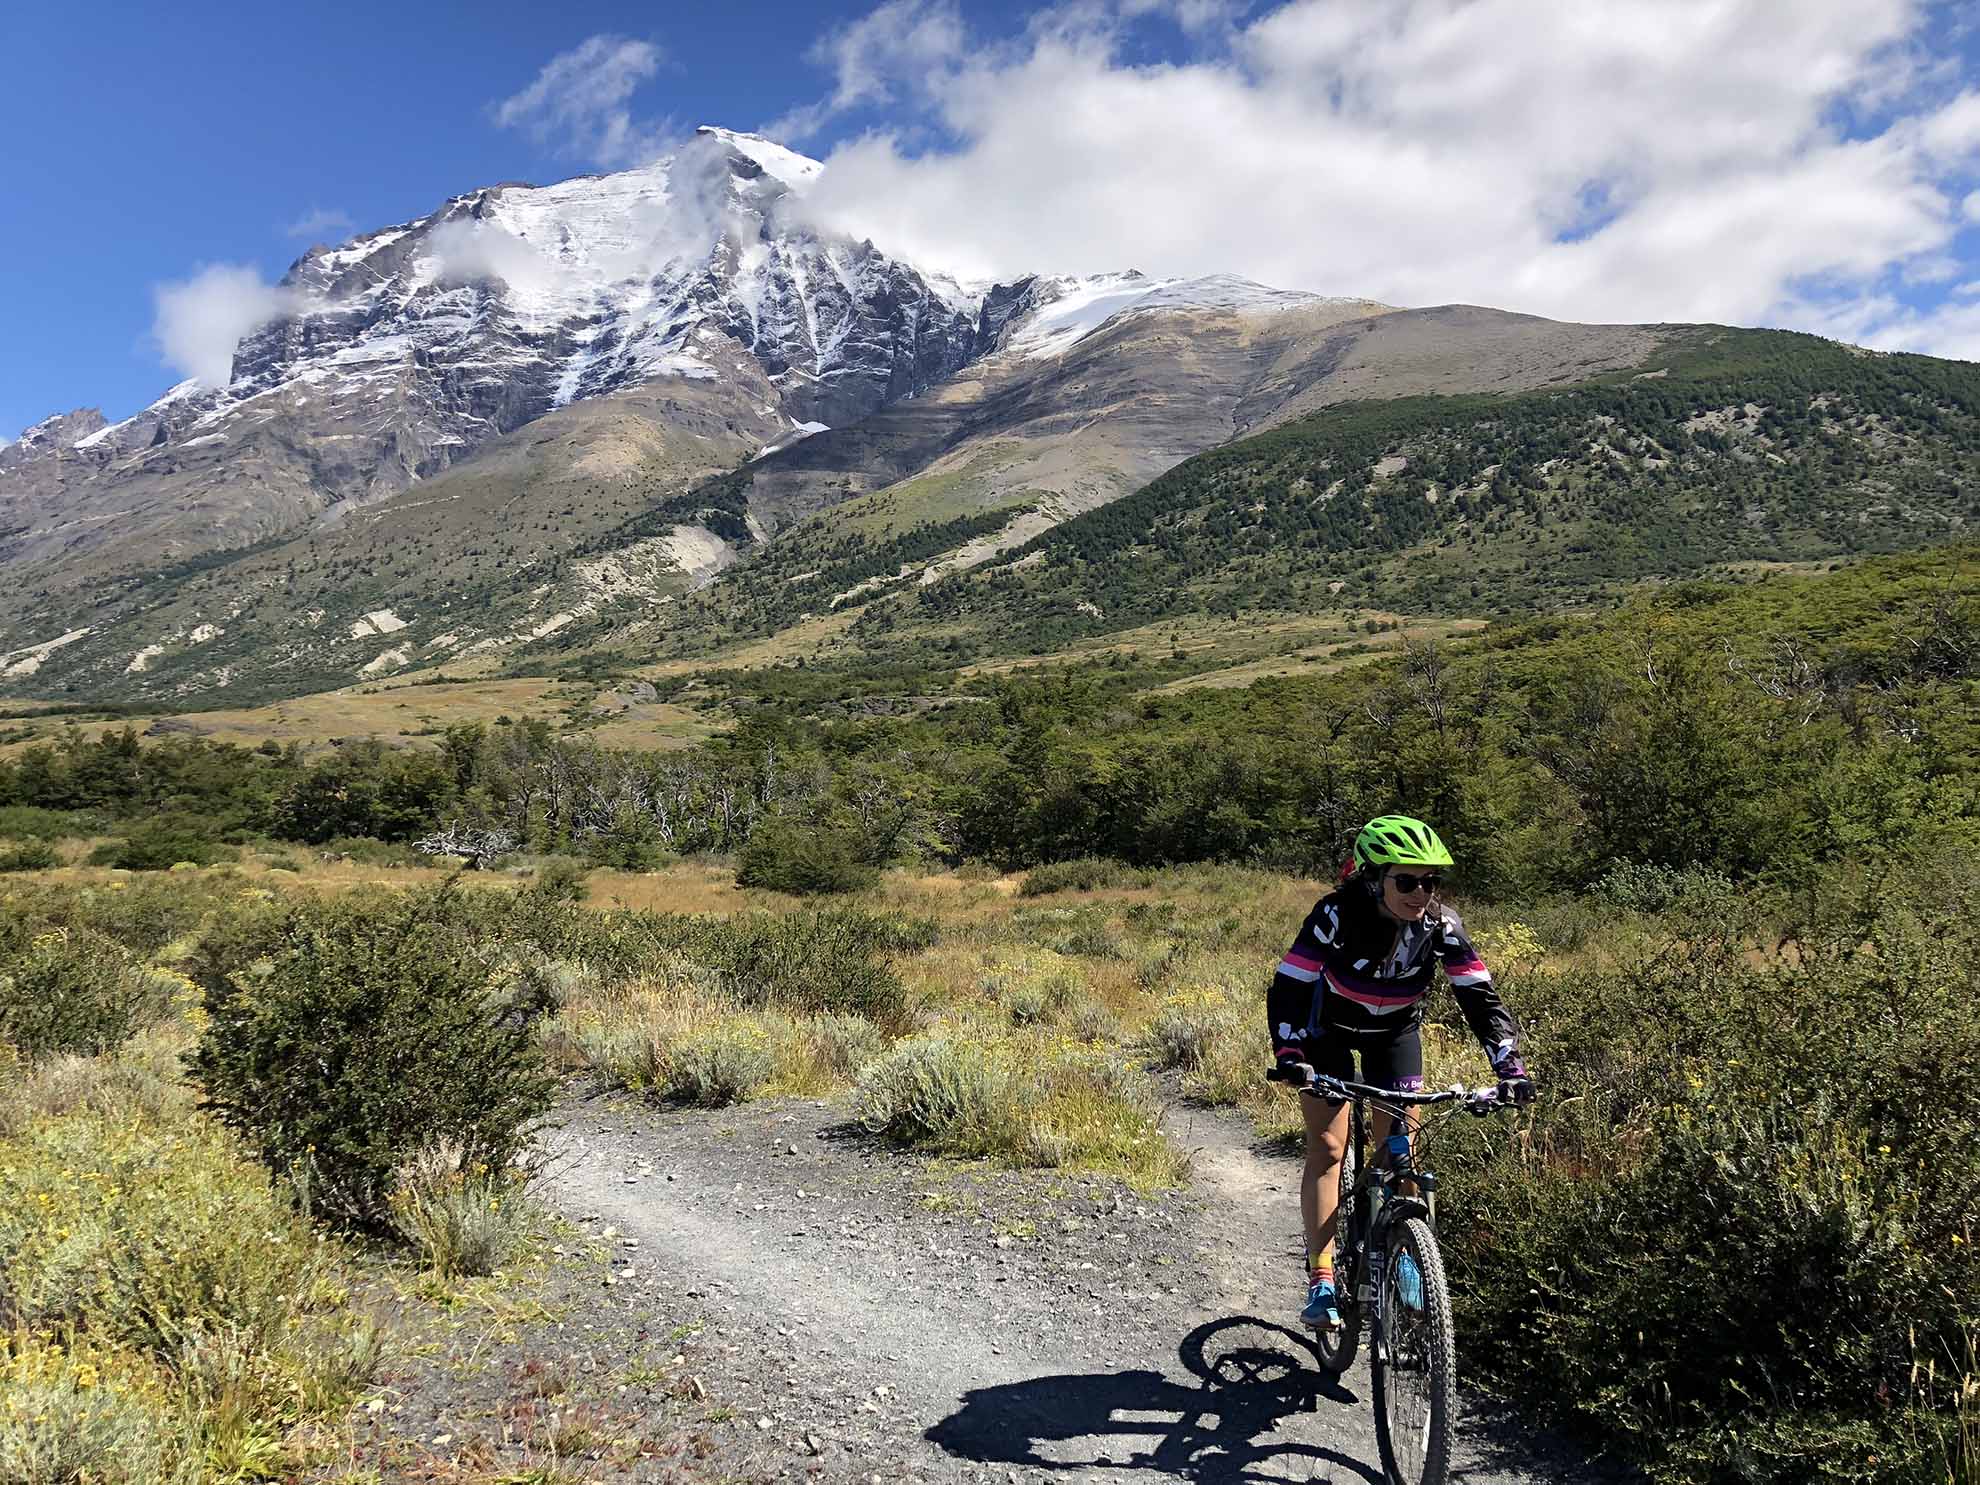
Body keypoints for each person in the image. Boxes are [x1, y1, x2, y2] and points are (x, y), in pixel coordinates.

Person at [1266, 814, 1535, 1330]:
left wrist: (1509, 1068)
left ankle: (1408, 1259)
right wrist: (1291, 1054)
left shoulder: (1440, 925)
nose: (1421, 893)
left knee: (1400, 1150)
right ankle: (1322, 1278)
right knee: (1328, 1147)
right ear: (1372, 878)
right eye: (1406, 881)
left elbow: (1480, 998)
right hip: (1329, 1035)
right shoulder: (1335, 915)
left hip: (1395, 1037)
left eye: (1431, 882)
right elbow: (1291, 986)